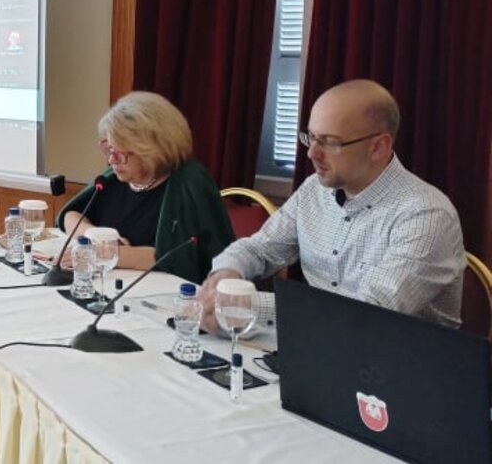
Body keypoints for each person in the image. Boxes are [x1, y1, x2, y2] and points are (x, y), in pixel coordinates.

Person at [199, 80, 465, 330]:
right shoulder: (314, 190)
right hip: (320, 341)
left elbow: (367, 313)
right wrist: (226, 274)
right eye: (311, 137)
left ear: (378, 147)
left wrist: (246, 304)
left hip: (400, 356)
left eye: (329, 142)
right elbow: (260, 248)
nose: (312, 153)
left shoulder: (426, 214)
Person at [50, 91, 235, 283]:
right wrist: (94, 235)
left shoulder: (189, 182)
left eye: (121, 152)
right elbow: (70, 215)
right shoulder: (115, 177)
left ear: (153, 151)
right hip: (114, 283)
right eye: (110, 149)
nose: (112, 160)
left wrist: (106, 253)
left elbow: (176, 257)